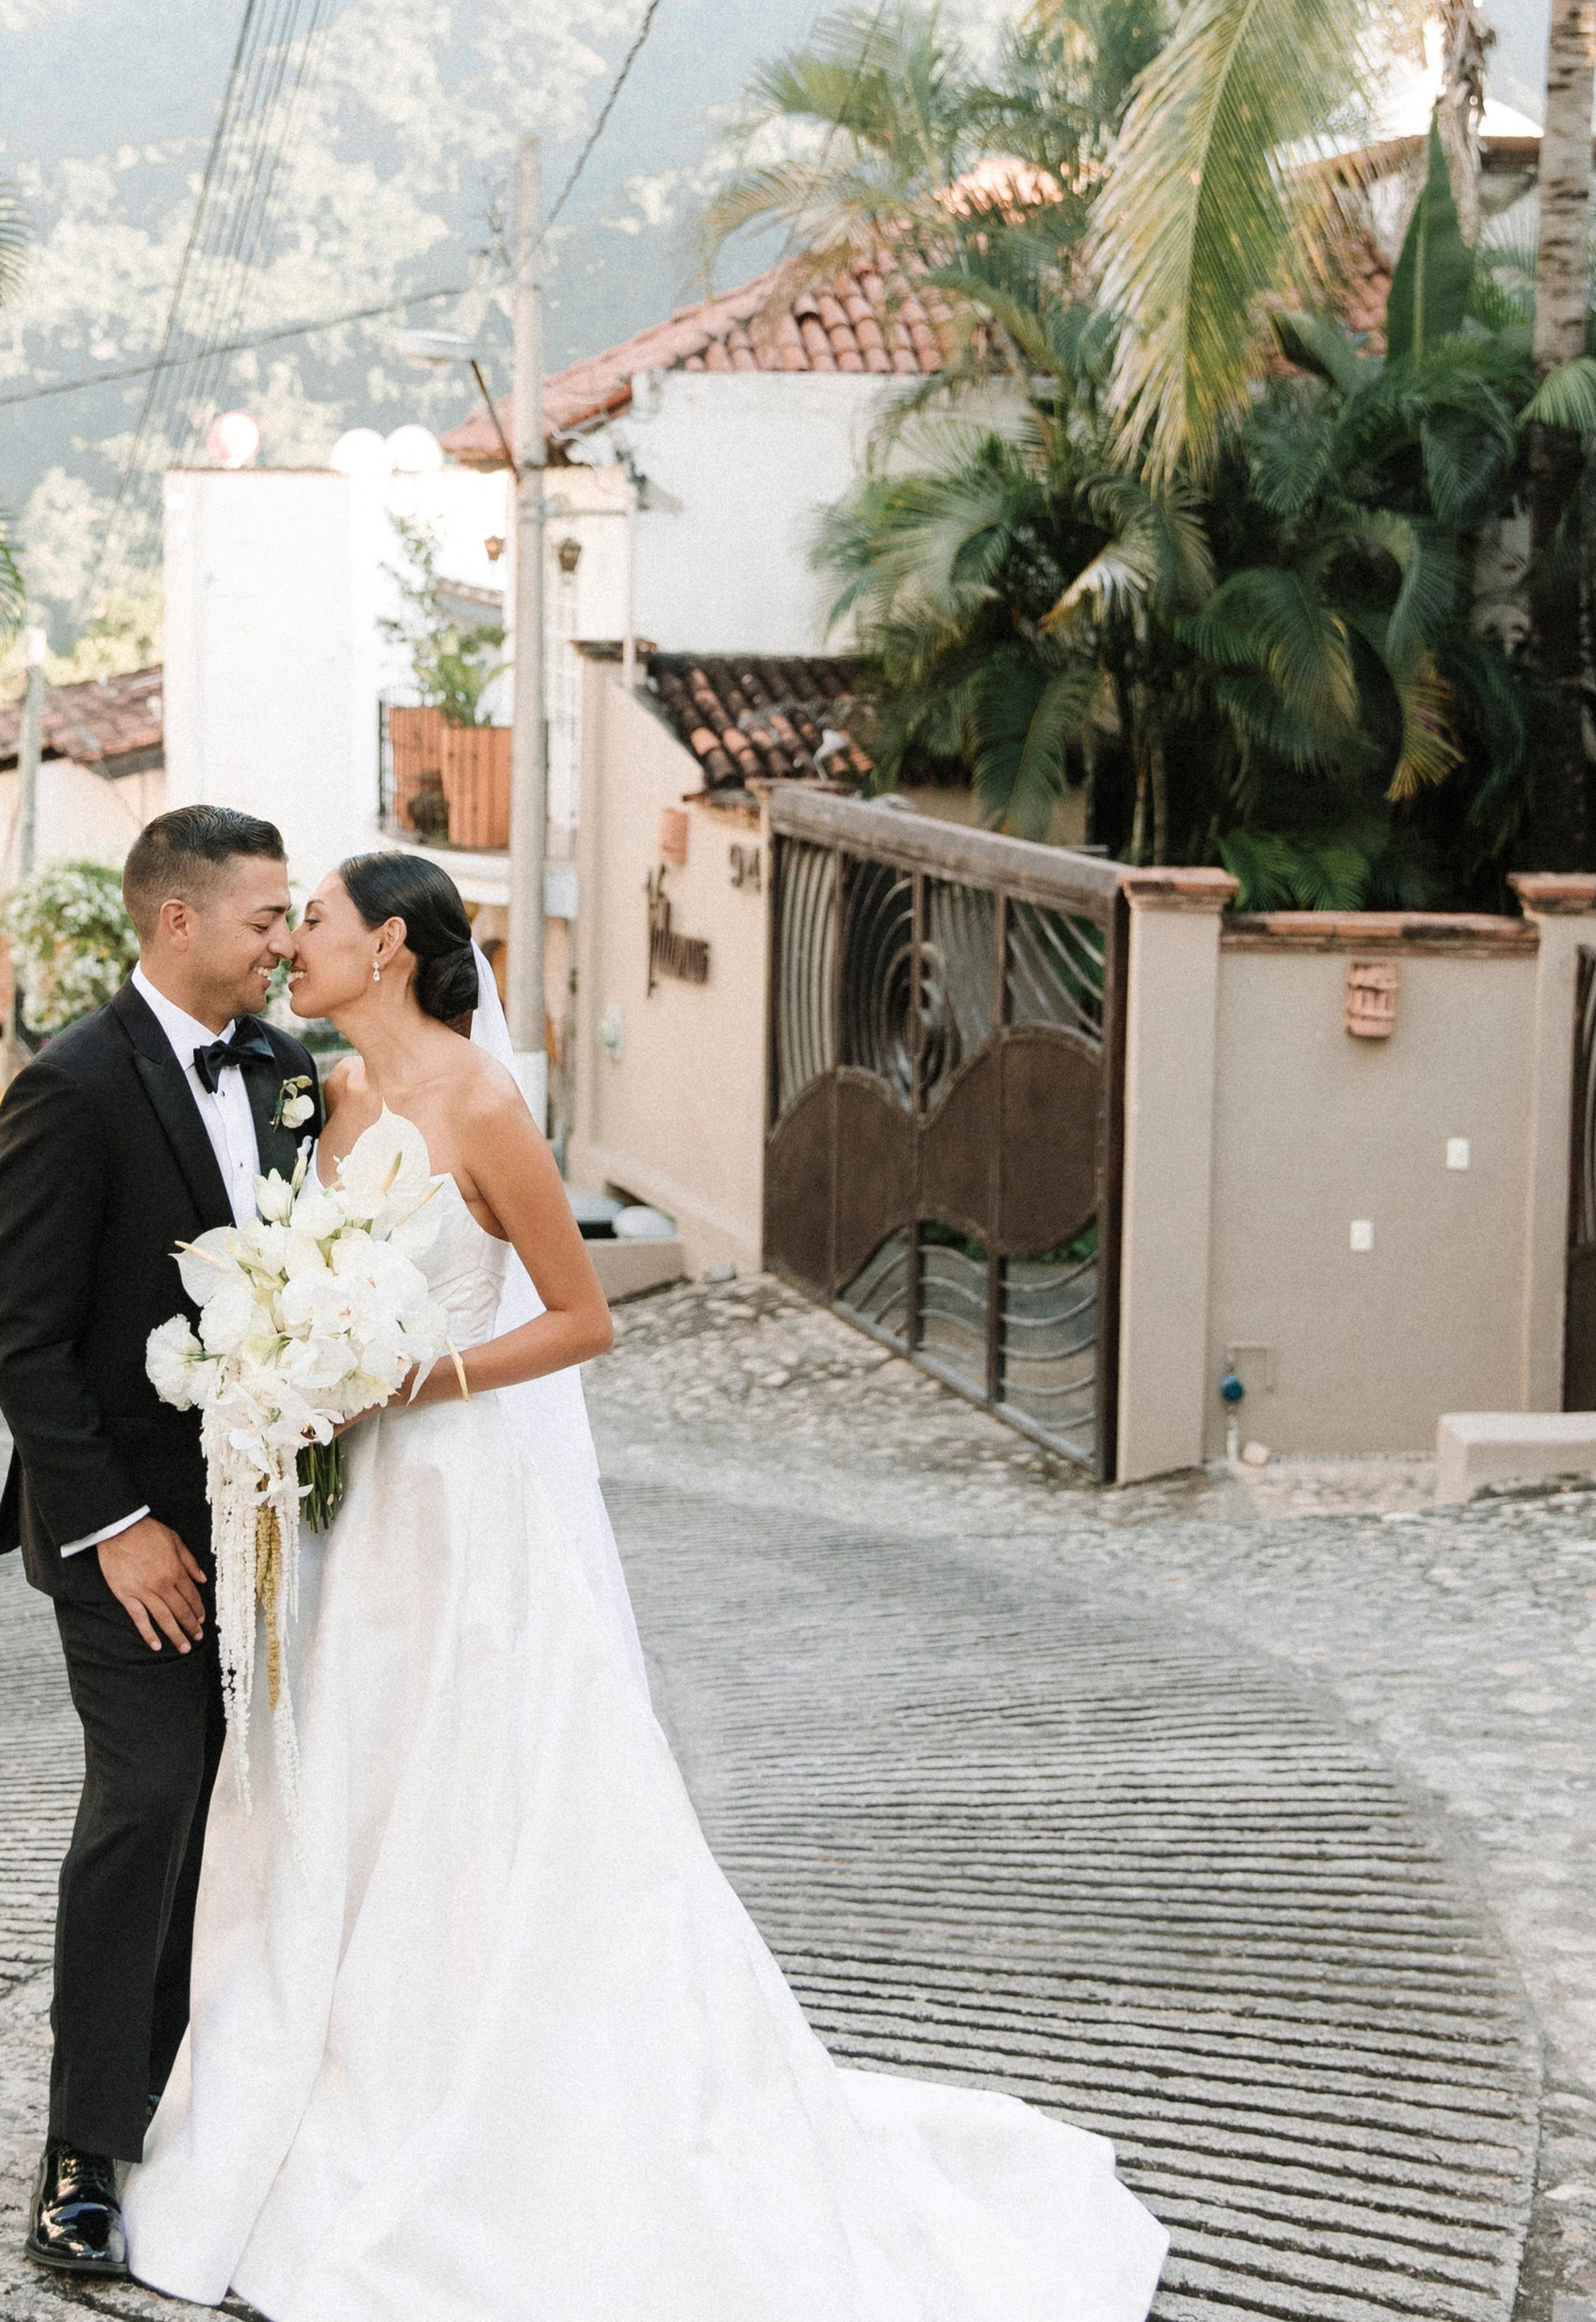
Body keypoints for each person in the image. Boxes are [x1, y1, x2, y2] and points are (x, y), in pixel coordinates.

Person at [123, 849, 1168, 2321]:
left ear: (400, 948)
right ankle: (334, 2083)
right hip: (355, 1528)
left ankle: (508, 2112)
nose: (296, 944)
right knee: (345, 1802)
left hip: (459, 1504)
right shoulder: (331, 1096)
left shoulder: (481, 1106)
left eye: (324, 925)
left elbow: (584, 1319)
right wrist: (287, 1371)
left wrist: (410, 1378)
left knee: (480, 1806)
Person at [0, 803, 322, 2280]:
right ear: (177, 922)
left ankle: (221, 2103)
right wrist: (118, 1530)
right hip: (126, 1538)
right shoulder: (71, 1085)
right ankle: (84, 2149)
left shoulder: (294, 1075)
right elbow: (22, 1340)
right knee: (150, 1802)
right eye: (264, 920)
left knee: (258, 1813)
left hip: (272, 1533)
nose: (286, 945)